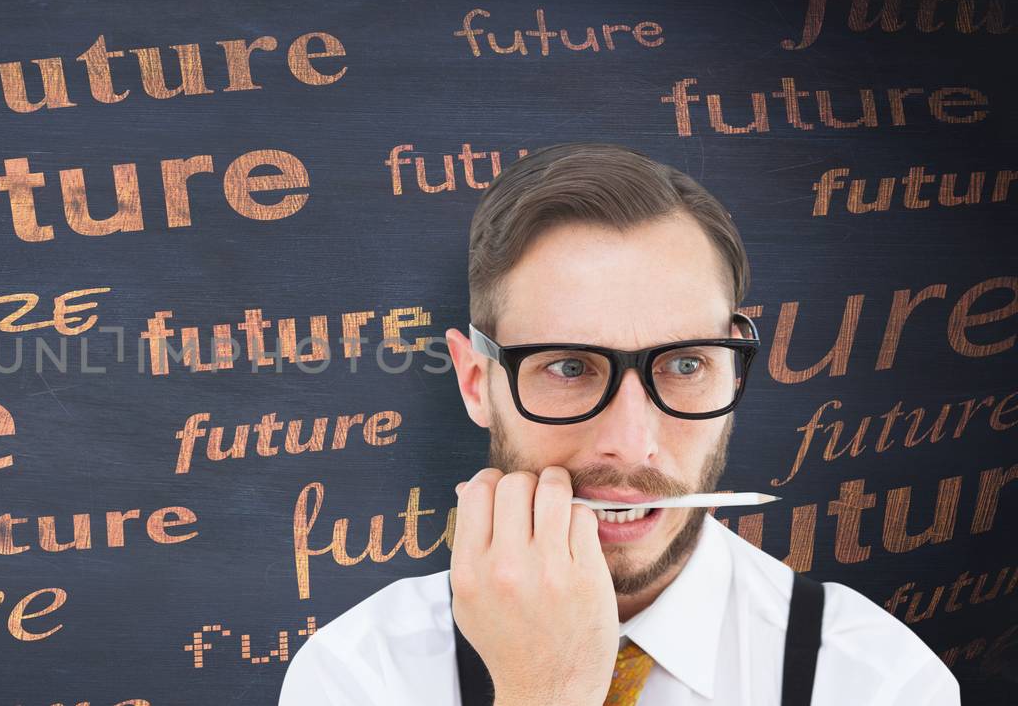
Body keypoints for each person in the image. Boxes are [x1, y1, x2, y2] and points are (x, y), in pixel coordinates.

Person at [276, 143, 961, 705]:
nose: (632, 442)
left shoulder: (877, 680)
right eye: (570, 368)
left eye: (685, 364)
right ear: (476, 380)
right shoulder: (358, 675)